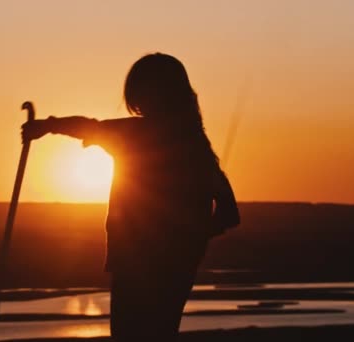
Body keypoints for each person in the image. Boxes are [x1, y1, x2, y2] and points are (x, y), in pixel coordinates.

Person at [22, 53, 240, 341]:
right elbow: (229, 213)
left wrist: (46, 126)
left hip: (135, 263)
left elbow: (90, 127)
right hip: (177, 265)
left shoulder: (136, 135)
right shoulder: (195, 143)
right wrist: (192, 238)